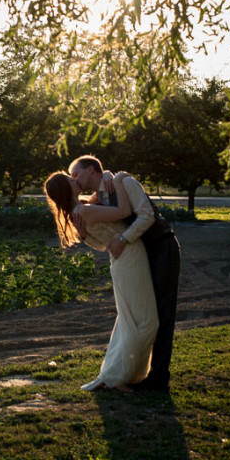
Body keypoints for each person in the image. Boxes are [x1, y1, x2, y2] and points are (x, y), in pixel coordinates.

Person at [69, 155, 181, 391]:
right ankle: (133, 371)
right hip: (137, 256)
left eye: (76, 173)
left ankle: (158, 377)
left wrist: (123, 238)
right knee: (138, 313)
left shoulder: (125, 182)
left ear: (91, 169)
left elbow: (147, 215)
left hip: (161, 247)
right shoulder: (101, 195)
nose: (74, 179)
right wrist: (84, 234)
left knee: (161, 313)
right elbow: (103, 236)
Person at [44, 170, 159, 392]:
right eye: (71, 180)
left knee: (131, 319)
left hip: (121, 259)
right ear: (67, 188)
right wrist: (118, 178)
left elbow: (102, 245)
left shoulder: (81, 210)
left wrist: (85, 235)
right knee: (144, 321)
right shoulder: (84, 210)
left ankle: (119, 374)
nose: (75, 180)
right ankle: (119, 376)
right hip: (129, 257)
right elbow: (124, 211)